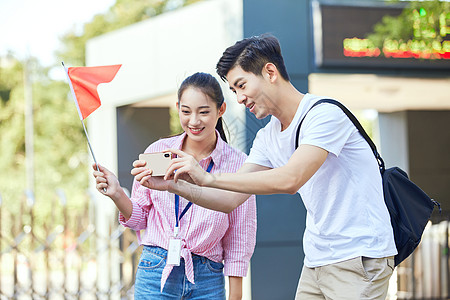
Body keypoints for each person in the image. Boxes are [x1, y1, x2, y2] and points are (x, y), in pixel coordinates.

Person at [132, 34, 397, 299]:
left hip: (359, 256)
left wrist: (207, 177)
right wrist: (174, 186)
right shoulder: (267, 137)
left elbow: (291, 179)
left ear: (270, 72)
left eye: (241, 85)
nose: (239, 98)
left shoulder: (324, 115)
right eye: (234, 91)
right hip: (317, 258)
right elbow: (229, 200)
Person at [93, 72, 257, 300]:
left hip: (207, 277)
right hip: (155, 271)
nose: (194, 121)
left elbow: (240, 233)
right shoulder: (157, 152)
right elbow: (140, 220)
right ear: (178, 107)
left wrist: (236, 294)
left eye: (204, 112)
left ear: (221, 110)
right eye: (186, 111)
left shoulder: (238, 163)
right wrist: (117, 193)